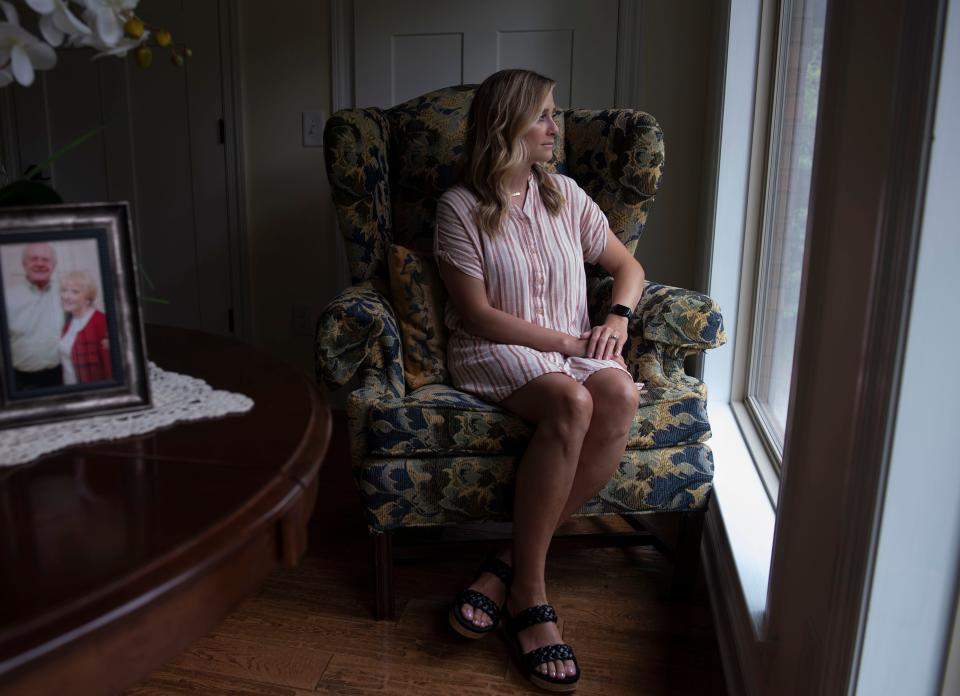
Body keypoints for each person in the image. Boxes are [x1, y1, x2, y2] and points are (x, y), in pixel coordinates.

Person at [436, 69, 646, 692]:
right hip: (495, 347)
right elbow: (475, 313)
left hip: (576, 343)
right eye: (544, 115)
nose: (557, 127)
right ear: (505, 125)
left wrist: (618, 315)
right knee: (570, 401)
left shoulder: (567, 196)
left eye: (555, 114)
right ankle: (531, 596)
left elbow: (627, 266)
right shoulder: (459, 207)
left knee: (620, 393)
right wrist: (565, 342)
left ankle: (503, 565)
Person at [7, 242, 64, 390]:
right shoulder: (6, 298)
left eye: (46, 260)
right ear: (24, 264)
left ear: (54, 265)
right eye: (34, 259)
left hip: (60, 376)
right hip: (19, 381)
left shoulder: (65, 293)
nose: (40, 264)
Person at [59, 270, 111, 384]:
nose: (66, 296)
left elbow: (109, 370)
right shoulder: (69, 323)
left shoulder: (101, 321)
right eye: (64, 290)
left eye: (75, 292)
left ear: (88, 298)